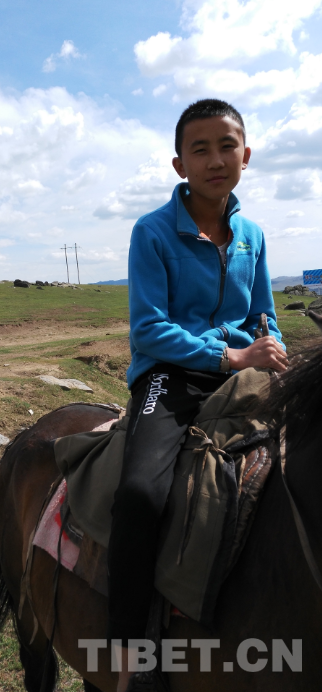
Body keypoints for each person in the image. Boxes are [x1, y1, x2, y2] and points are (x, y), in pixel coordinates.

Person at [107, 98, 288, 692]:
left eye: (226, 146)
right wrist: (229, 357)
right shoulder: (152, 231)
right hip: (171, 376)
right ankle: (131, 653)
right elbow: (148, 329)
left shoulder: (253, 235)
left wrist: (273, 351)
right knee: (140, 493)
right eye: (200, 149)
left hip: (245, 374)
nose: (215, 159)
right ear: (179, 164)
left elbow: (263, 315)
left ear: (246, 155)